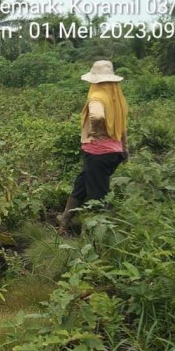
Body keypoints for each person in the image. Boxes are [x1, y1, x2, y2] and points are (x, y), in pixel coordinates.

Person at [59, 60, 129, 233]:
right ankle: (65, 219)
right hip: (114, 152)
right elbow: (122, 127)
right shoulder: (115, 98)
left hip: (99, 154)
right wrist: (125, 148)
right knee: (81, 184)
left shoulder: (97, 97)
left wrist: (95, 131)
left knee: (98, 196)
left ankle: (101, 234)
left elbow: (97, 116)